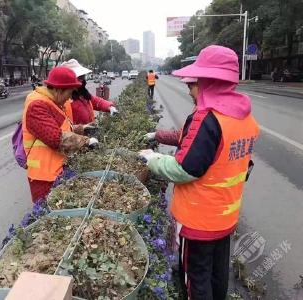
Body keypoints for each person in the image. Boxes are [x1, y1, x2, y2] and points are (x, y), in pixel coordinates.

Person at [139, 45, 260, 300]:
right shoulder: (242, 117)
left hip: (197, 220)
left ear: (208, 82)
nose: (190, 89)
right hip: (225, 218)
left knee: (195, 280)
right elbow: (230, 162)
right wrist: (158, 135)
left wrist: (153, 159)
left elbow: (185, 168)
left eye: (193, 84)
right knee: (217, 276)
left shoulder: (208, 119)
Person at [22, 66, 99, 203]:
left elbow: (61, 128)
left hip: (55, 170)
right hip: (44, 176)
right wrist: (86, 141)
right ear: (58, 89)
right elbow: (55, 138)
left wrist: (82, 128)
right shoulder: (37, 105)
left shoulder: (53, 102)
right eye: (69, 92)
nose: (70, 97)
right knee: (48, 214)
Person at [61, 59, 118, 126]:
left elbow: (95, 101)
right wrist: (81, 128)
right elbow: (63, 127)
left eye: (82, 77)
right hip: (77, 135)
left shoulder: (82, 94)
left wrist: (109, 107)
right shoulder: (63, 100)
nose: (82, 80)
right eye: (79, 77)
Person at [144, 77, 198, 146]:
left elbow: (184, 139)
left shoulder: (205, 115)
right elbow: (182, 135)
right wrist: (156, 135)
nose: (189, 93)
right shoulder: (199, 109)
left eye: (191, 88)